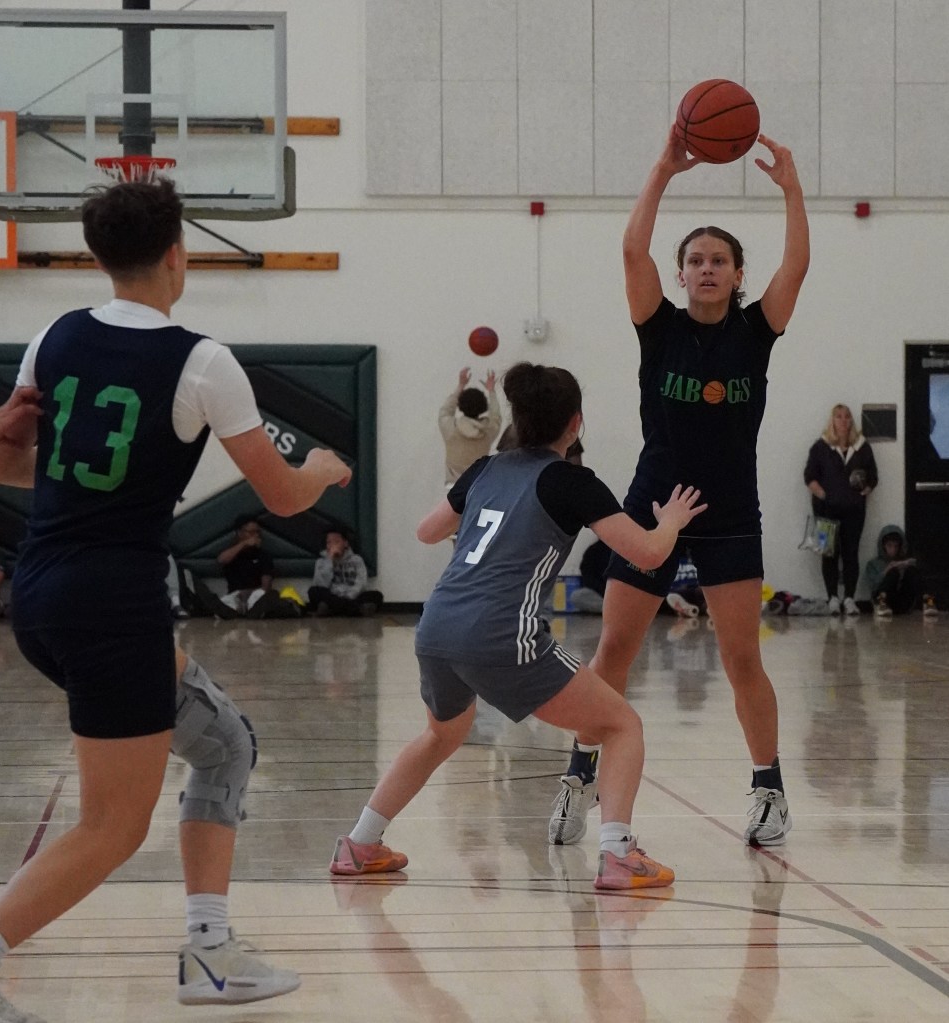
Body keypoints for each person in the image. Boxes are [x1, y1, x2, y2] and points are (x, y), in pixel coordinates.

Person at [0, 178, 352, 1023]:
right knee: (112, 826)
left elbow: (3, 466)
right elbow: (282, 495)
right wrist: (321, 468)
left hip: (41, 589)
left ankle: (210, 951)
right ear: (179, 254)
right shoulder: (204, 361)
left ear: (97, 254)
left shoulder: (54, 336)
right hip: (113, 606)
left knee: (224, 742)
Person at [328, 361, 706, 892]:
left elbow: (426, 531)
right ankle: (619, 854)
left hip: (437, 626)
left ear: (517, 419)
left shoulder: (486, 468)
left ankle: (360, 843)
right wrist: (670, 522)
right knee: (622, 725)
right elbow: (646, 553)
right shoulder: (572, 481)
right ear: (575, 423)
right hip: (502, 634)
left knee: (441, 735)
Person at [548, 126, 810, 851]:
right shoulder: (656, 327)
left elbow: (797, 265)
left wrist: (791, 189)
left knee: (742, 659)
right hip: (651, 506)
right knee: (614, 650)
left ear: (737, 273)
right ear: (682, 273)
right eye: (695, 260)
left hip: (729, 511)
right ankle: (579, 771)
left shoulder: (757, 331)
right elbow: (632, 251)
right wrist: (663, 168)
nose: (706, 268)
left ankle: (769, 787)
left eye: (719, 260)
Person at [803, 404, 878, 615]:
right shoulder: (820, 447)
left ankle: (850, 598)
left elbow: (873, 477)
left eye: (847, 417)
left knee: (851, 553)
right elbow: (809, 477)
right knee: (828, 554)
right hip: (825, 511)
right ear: (832, 421)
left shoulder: (862, 447)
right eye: (838, 417)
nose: (843, 421)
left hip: (854, 512)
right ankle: (833, 598)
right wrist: (825, 496)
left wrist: (863, 492)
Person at [439, 367, 502, 487]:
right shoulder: (488, 431)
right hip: (478, 487)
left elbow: (445, 410)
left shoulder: (449, 427)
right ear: (483, 407)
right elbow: (496, 416)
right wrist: (491, 391)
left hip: (452, 487)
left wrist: (461, 385)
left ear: (460, 405)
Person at [307, 527, 383, 617]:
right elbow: (321, 585)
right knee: (313, 591)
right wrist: (330, 560)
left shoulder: (357, 560)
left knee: (377, 595)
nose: (332, 545)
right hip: (332, 596)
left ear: (346, 543)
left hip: (351, 596)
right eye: (329, 542)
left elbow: (361, 583)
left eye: (336, 542)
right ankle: (356, 610)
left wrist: (349, 596)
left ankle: (331, 610)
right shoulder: (321, 562)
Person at [864, 525, 934, 617]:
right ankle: (881, 604)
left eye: (896, 546)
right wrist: (887, 570)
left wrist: (906, 565)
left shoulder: (903, 560)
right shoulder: (873, 564)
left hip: (903, 601)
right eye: (889, 546)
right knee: (893, 572)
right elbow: (873, 585)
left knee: (912, 570)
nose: (893, 550)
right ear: (883, 545)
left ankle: (928, 602)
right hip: (885, 598)